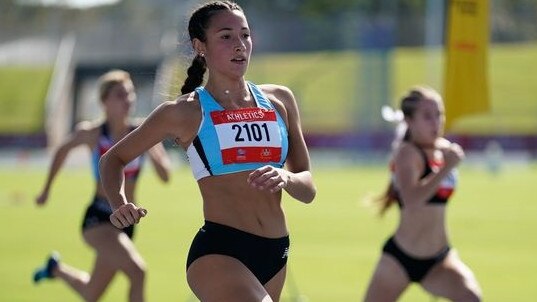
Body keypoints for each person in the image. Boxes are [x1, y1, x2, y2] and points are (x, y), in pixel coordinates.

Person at [99, 2, 316, 301]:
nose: (240, 45)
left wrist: (287, 178)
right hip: (219, 253)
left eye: (245, 35)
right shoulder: (184, 112)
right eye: (226, 36)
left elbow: (308, 189)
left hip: (276, 251)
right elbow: (113, 158)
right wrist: (118, 202)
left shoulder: (280, 100)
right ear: (200, 46)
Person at [33, 69, 171, 302]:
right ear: (104, 101)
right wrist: (46, 189)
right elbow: (61, 150)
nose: (128, 100)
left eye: (130, 94)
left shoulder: (142, 132)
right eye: (120, 95)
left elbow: (166, 176)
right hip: (99, 218)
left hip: (127, 223)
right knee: (138, 273)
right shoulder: (93, 134)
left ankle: (55, 269)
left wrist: (154, 153)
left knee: (91, 293)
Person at [363, 86, 482, 302]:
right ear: (409, 121)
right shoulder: (407, 153)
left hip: (439, 259)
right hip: (401, 258)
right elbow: (412, 200)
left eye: (439, 114)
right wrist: (446, 168)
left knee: (471, 297)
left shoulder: (443, 149)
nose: (436, 122)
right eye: (427, 116)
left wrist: (448, 161)